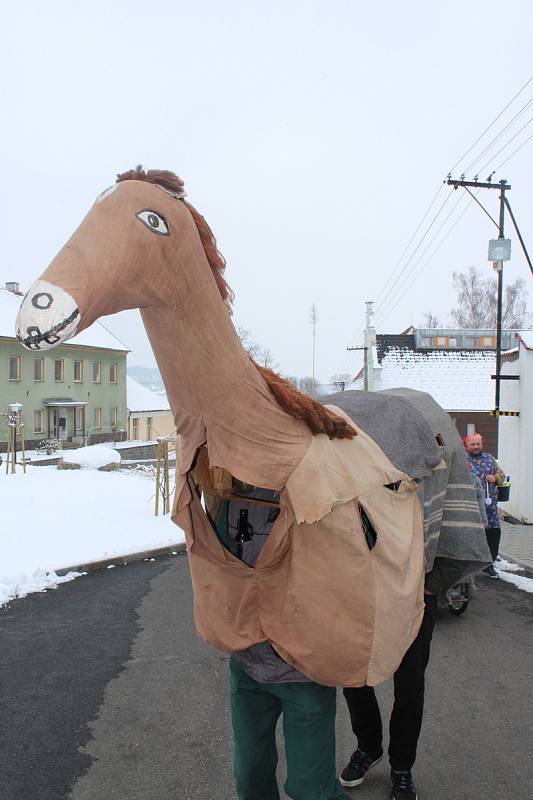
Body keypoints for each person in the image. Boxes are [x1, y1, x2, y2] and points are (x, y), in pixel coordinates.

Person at [340, 592, 437, 800]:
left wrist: (432, 583)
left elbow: (466, 557)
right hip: (360, 594)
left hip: (414, 600)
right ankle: (369, 747)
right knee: (354, 676)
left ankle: (402, 767)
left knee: (410, 688)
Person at [464, 432, 505, 578]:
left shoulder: (490, 459)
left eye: (478, 444)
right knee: (471, 536)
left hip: (490, 508)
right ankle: (467, 566)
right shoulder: (462, 461)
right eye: (472, 444)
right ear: (467, 445)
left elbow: (502, 476)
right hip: (471, 507)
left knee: (493, 536)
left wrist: (495, 478)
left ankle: (489, 564)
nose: (476, 447)